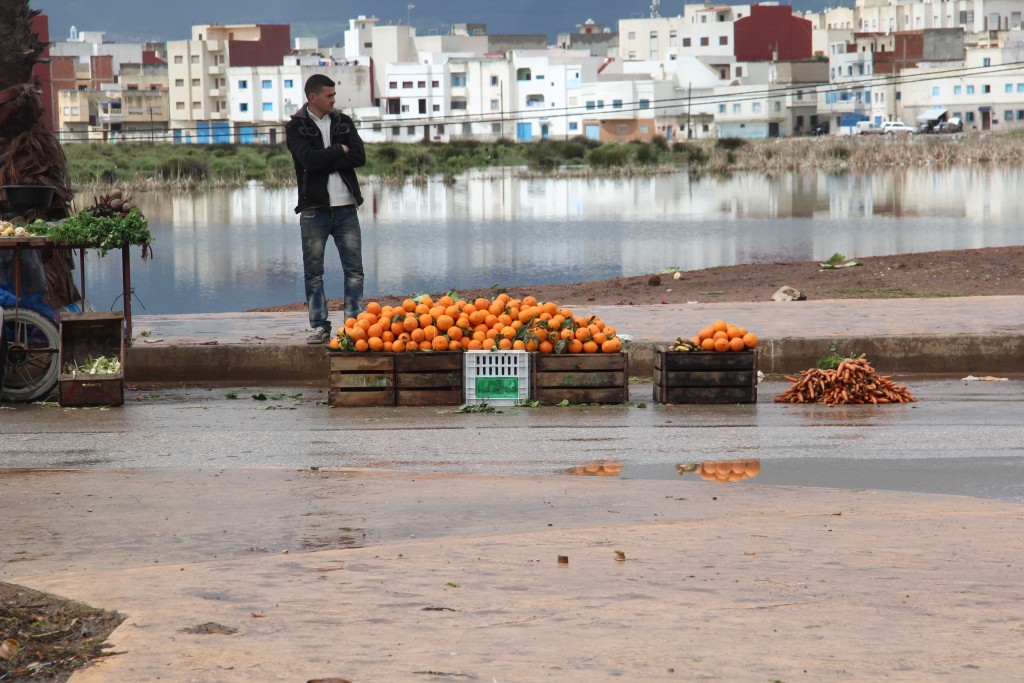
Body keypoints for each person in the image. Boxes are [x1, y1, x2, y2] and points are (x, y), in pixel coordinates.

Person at [285, 74, 366, 344]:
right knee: (314, 272)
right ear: (313, 97)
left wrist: (328, 157)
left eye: (334, 95)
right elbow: (308, 160)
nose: (334, 100)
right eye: (329, 95)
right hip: (313, 210)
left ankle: (353, 326)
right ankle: (320, 326)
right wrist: (338, 150)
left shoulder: (343, 121)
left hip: (346, 209)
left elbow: (359, 157)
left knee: (354, 270)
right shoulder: (296, 127)